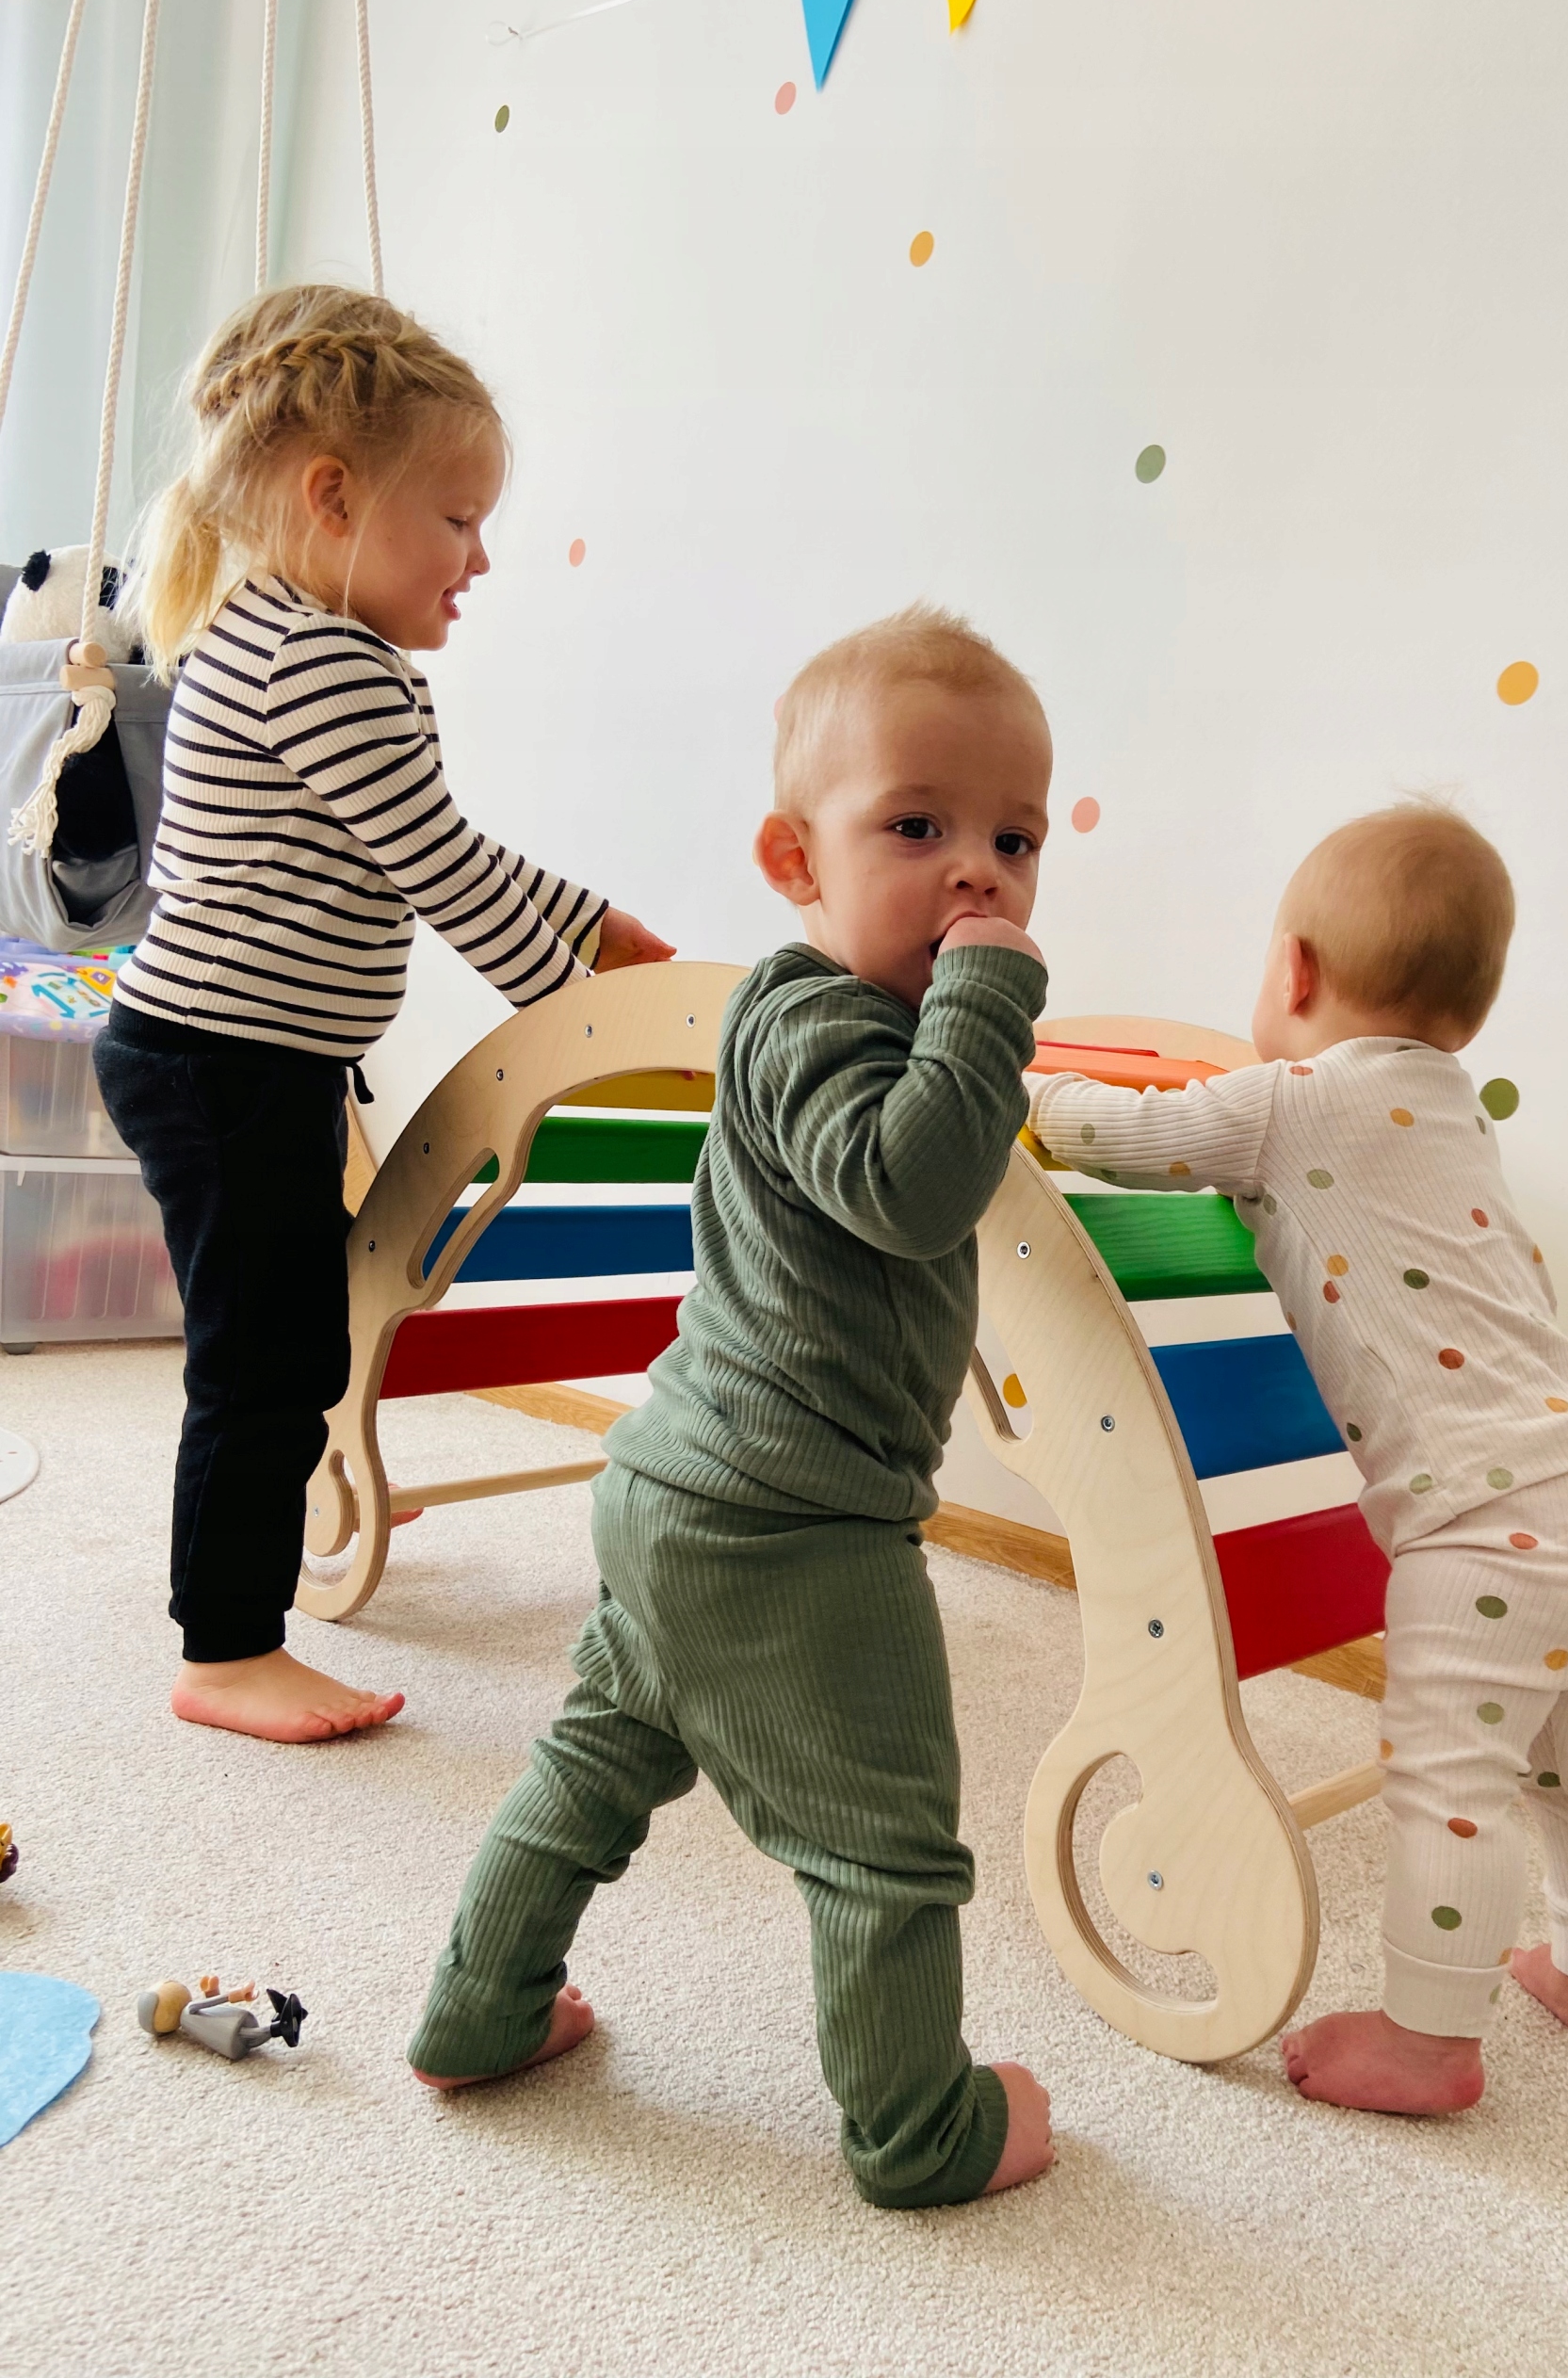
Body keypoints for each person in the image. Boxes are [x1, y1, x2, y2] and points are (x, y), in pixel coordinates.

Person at [409, 605, 1057, 2208]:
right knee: (888, 1846)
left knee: (596, 1767)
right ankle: (921, 2132)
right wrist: (990, 1003)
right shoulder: (815, 1017)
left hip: (680, 1494)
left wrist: (966, 1031)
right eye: (918, 827)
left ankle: (481, 2010)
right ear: (795, 860)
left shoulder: (877, 1031)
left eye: (1014, 840)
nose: (976, 873)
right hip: (795, 1531)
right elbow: (910, 1191)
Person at [1026, 802, 1568, 2113]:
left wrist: (1020, 1083)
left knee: (1452, 1783)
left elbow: (1112, 1137)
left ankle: (1433, 2039)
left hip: (1495, 1528)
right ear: (1469, 1019)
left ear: (1296, 972)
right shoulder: (1451, 1115)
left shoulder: (1292, 1102)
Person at [94, 284, 671, 1746]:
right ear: (333, 498)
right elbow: (446, 872)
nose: (482, 557)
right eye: (459, 519)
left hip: (242, 1058)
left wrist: (606, 931)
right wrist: (587, 1008)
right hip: (225, 1064)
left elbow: (448, 848)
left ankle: (243, 1612)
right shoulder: (321, 663)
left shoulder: (296, 641)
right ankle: (225, 1650)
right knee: (265, 1355)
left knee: (291, 1336)